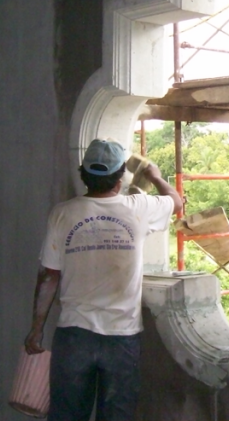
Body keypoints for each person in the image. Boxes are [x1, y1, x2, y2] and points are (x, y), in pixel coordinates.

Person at [24, 138, 183, 421]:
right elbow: (176, 202)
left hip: (74, 336)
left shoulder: (63, 213)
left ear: (83, 174)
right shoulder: (139, 207)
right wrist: (155, 176)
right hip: (122, 337)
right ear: (120, 176)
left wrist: (36, 329)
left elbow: (49, 277)